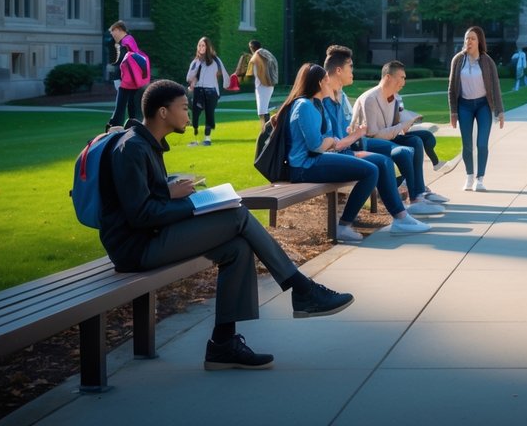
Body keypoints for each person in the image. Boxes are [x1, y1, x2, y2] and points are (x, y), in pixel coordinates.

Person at [98, 79, 354, 371]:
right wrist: (190, 204)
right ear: (163, 112)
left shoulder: (146, 144)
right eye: (183, 108)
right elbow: (141, 214)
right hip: (136, 249)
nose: (189, 114)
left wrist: (172, 190)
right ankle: (301, 289)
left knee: (238, 247)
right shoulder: (132, 148)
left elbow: (144, 198)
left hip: (152, 237)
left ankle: (223, 344)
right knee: (236, 215)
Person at [282, 62, 430, 238]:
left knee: (381, 161)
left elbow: (331, 143)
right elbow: (316, 146)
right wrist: (331, 140)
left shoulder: (316, 104)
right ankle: (344, 225)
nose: (330, 82)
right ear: (320, 83)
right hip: (306, 166)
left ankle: (400, 217)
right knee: (370, 170)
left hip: (322, 157)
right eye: (326, 79)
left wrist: (349, 137)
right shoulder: (304, 105)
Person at [351, 60, 449, 214]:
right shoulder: (370, 99)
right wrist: (401, 127)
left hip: (387, 136)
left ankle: (419, 194)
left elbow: (400, 119)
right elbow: (373, 133)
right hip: (367, 141)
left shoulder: (395, 97)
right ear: (388, 77)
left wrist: (409, 122)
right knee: (403, 151)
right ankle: (414, 198)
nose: (404, 82)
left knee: (417, 140)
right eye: (401, 77)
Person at [447, 26, 505, 191]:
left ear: (479, 41)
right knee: (467, 145)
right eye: (466, 38)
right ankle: (469, 176)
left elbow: (495, 87)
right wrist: (453, 111)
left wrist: (500, 111)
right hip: (464, 106)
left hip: (483, 106)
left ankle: (480, 178)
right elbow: (451, 88)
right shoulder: (458, 60)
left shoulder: (487, 62)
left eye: (472, 38)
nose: (469, 41)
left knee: (482, 144)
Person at [185, 37, 227, 146]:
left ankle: (207, 139)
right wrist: (194, 77)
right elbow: (188, 77)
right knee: (196, 114)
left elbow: (224, 73)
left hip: (211, 92)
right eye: (199, 45)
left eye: (203, 45)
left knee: (209, 114)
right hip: (199, 91)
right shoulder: (195, 61)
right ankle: (196, 138)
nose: (201, 47)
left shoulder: (215, 60)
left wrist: (228, 85)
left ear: (208, 47)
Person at [107, 21, 144, 128]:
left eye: (113, 32)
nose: (113, 36)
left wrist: (113, 68)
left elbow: (122, 59)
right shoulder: (131, 40)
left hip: (125, 78)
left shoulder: (124, 42)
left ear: (118, 30)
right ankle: (134, 125)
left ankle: (115, 126)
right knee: (132, 103)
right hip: (133, 78)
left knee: (121, 104)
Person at [246, 39, 278, 124]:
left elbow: (251, 70)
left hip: (262, 85)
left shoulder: (257, 55)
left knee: (262, 111)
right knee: (263, 109)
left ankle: (266, 131)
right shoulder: (266, 53)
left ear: (252, 47)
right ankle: (267, 129)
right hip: (269, 83)